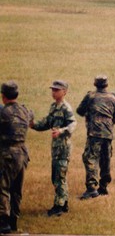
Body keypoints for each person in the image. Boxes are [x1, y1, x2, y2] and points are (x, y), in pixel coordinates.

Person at [30, 80, 76, 217]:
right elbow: (46, 123)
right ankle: (64, 203)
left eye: (56, 90)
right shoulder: (53, 107)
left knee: (59, 177)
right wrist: (33, 125)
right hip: (56, 149)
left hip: (63, 149)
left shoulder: (66, 108)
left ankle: (59, 207)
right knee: (56, 176)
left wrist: (61, 131)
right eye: (53, 90)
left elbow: (73, 124)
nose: (53, 92)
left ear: (64, 91)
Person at [76, 75, 115, 199]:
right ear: (106, 85)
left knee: (91, 158)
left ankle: (91, 188)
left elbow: (80, 110)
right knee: (105, 159)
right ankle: (104, 186)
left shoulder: (90, 96)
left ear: (95, 84)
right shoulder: (113, 97)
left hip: (94, 132)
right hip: (108, 132)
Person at [0, 81, 33, 233]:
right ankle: (14, 220)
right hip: (22, 152)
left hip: (6, 154)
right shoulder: (25, 110)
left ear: (3, 96)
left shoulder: (2, 112)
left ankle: (3, 222)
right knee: (16, 189)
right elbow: (31, 120)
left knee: (3, 187)